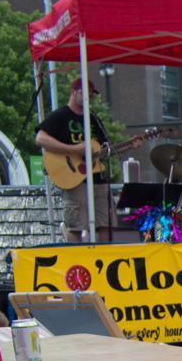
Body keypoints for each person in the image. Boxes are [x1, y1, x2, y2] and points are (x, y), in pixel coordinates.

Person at [34, 78, 120, 242]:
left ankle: (104, 259)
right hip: (74, 179)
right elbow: (40, 139)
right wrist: (73, 149)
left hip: (98, 178)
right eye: (85, 94)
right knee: (76, 225)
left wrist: (130, 145)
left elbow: (106, 148)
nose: (89, 98)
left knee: (106, 224)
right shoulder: (59, 116)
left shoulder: (93, 119)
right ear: (73, 92)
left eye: (91, 96)